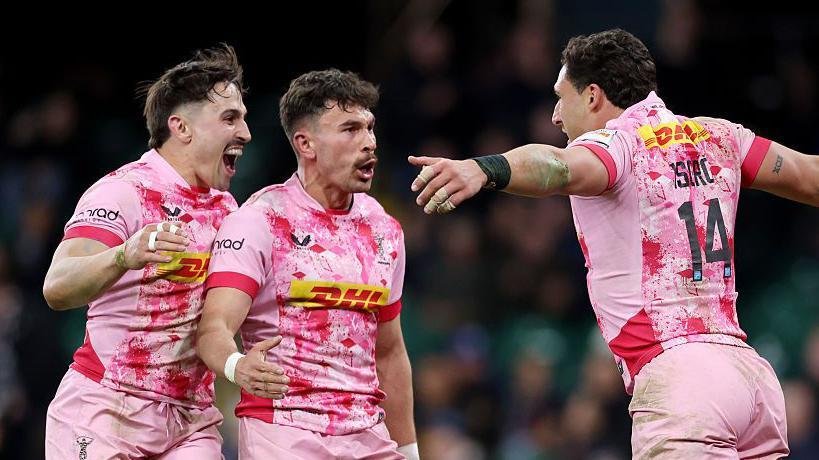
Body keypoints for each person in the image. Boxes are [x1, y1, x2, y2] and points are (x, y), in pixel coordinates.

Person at [410, 28, 819, 459]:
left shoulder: (617, 144)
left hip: (681, 382)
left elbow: (558, 167)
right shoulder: (719, 137)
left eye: (560, 97)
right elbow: (810, 176)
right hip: (749, 378)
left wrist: (484, 169)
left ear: (592, 96)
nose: (555, 116)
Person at [42, 44, 252, 459]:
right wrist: (125, 254)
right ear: (181, 127)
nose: (246, 133)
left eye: (243, 118)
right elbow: (57, 287)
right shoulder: (124, 191)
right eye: (230, 118)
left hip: (189, 421)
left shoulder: (229, 210)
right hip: (106, 407)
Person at [197, 69, 418, 459]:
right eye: (350, 129)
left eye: (369, 128)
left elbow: (389, 353)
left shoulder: (384, 230)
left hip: (367, 435)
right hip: (284, 432)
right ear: (306, 143)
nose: (369, 142)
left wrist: (409, 450)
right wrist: (236, 366)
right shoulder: (259, 221)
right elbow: (213, 328)